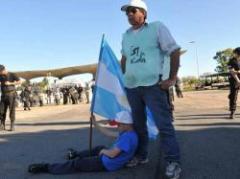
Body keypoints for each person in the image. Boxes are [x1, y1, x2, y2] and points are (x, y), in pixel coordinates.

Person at [120, 0, 181, 178]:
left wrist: (171, 78)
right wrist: (126, 76)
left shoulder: (156, 27)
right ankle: (142, 155)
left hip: (153, 86)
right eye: (127, 12)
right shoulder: (126, 35)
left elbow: (174, 50)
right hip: (132, 87)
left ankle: (173, 161)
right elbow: (124, 58)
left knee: (164, 125)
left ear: (143, 13)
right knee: (138, 125)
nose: (129, 14)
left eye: (133, 10)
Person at [28, 116, 138, 175]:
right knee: (99, 148)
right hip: (110, 160)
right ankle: (75, 154)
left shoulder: (127, 138)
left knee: (77, 164)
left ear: (126, 124)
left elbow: (113, 154)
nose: (117, 126)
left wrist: (103, 152)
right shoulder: (129, 133)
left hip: (107, 163)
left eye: (118, 124)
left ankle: (47, 167)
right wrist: (95, 124)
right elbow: (108, 133)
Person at [0, 65, 21, 131]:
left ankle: (12, 125)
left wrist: (10, 83)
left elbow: (20, 81)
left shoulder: (12, 74)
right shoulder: (0, 76)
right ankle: (2, 124)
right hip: (3, 95)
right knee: (1, 111)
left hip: (11, 94)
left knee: (12, 110)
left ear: (3, 70)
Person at [227, 47, 240, 119]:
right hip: (233, 79)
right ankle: (232, 112)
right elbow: (232, 71)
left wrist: (237, 71)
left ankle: (230, 95)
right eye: (236, 53)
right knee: (234, 96)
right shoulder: (231, 61)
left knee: (232, 95)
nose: (237, 55)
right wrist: (238, 81)